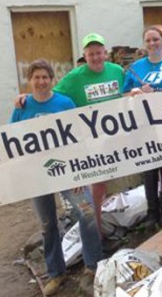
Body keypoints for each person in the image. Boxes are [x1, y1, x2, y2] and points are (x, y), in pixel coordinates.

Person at [11, 60, 102, 296]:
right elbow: (12, 140)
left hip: (67, 171)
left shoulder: (64, 103)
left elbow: (80, 134)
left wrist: (80, 168)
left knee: (88, 214)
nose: (41, 82)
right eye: (36, 77)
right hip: (37, 175)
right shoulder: (22, 107)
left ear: (52, 80)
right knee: (48, 224)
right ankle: (56, 273)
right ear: (29, 80)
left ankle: (93, 268)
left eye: (45, 77)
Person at [52, 33, 124, 238]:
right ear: (85, 55)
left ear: (105, 53)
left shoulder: (117, 71)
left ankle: (99, 222)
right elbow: (53, 96)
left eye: (99, 53)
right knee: (96, 183)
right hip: (89, 141)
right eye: (91, 54)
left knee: (105, 181)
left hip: (116, 138)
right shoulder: (74, 78)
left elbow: (128, 95)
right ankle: (96, 229)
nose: (96, 57)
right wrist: (27, 98)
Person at [122, 25, 162, 230]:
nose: (152, 43)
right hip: (143, 124)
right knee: (148, 168)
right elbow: (124, 95)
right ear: (144, 44)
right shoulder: (136, 68)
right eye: (148, 40)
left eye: (156, 39)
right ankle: (151, 210)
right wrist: (136, 92)